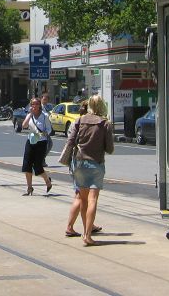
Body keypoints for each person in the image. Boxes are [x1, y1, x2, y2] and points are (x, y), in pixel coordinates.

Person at [61, 94, 113, 246]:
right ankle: (87, 234)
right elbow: (109, 148)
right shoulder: (105, 123)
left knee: (82, 199)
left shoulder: (79, 120)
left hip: (79, 162)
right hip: (96, 163)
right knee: (92, 199)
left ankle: (85, 231)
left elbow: (71, 141)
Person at [64, 100, 101, 238]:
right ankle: (77, 227)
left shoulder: (77, 121)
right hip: (85, 162)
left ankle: (87, 225)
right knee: (82, 197)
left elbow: (70, 141)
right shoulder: (87, 123)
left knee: (80, 195)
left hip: (76, 161)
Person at [21, 98, 53, 195]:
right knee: (27, 165)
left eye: (36, 104)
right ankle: (29, 188)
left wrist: (45, 133)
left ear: (39, 105)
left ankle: (48, 181)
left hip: (41, 142)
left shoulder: (44, 116)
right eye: (32, 104)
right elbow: (24, 125)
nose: (34, 106)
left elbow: (49, 129)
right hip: (31, 141)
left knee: (38, 167)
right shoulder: (29, 115)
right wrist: (30, 114)